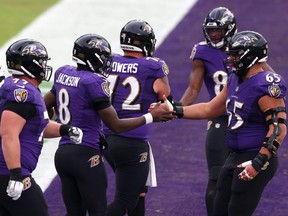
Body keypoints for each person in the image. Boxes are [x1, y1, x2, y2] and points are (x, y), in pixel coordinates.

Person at [44, 33, 173, 216]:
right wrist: (151, 116)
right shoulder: (95, 81)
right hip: (87, 153)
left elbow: (43, 106)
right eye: (104, 58)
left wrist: (54, 119)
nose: (107, 63)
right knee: (102, 210)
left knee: (75, 212)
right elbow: (116, 125)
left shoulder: (63, 72)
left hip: (63, 153)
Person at [166, 30, 287, 216]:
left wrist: (258, 163)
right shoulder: (234, 78)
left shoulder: (265, 85)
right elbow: (209, 109)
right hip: (234, 155)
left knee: (236, 210)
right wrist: (173, 110)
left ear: (251, 56)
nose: (231, 58)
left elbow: (278, 129)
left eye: (236, 54)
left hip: (254, 156)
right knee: (218, 208)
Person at [0, 39, 83, 216]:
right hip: (8, 173)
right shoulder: (23, 93)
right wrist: (16, 174)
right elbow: (8, 134)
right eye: (42, 62)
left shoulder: (21, 88)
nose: (45, 66)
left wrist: (64, 130)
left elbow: (35, 127)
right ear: (31, 65)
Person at [103, 19, 171, 216]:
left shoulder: (109, 61)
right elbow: (166, 101)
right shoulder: (153, 66)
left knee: (138, 192)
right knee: (125, 201)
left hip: (105, 138)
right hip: (131, 141)